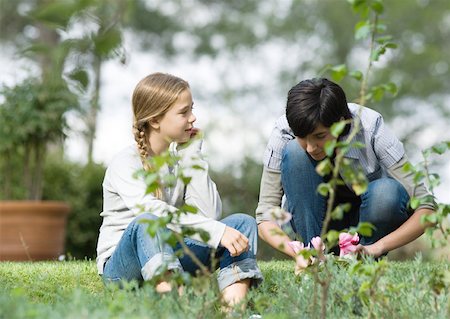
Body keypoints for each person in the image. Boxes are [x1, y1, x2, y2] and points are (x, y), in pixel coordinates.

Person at [96, 72, 262, 306]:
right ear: (155, 120)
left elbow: (209, 214)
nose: (193, 118)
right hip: (123, 269)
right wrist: (216, 232)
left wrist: (192, 154)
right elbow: (155, 213)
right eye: (184, 112)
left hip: (169, 253)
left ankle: (233, 311)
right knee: (147, 222)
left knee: (242, 224)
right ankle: (182, 309)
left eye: (191, 109)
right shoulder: (125, 163)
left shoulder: (178, 160)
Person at [256, 78, 435, 268]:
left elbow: (427, 208)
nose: (310, 147)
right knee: (295, 152)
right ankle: (314, 260)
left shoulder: (371, 126)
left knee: (386, 192)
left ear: (340, 124)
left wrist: (375, 247)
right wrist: (296, 251)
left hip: (367, 224)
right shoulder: (283, 130)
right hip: (318, 223)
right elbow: (265, 217)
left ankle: (362, 262)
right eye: (302, 137)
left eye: (319, 136)